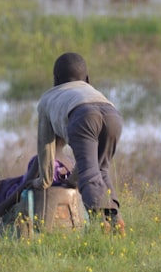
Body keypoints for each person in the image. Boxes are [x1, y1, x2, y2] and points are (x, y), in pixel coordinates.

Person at [33, 52, 125, 235]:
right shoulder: (91, 90)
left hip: (82, 115)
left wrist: (43, 181)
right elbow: (87, 165)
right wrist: (72, 180)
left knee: (90, 173)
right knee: (101, 169)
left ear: (55, 79)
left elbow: (46, 148)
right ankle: (116, 220)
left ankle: (100, 223)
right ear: (88, 79)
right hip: (113, 114)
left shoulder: (47, 98)